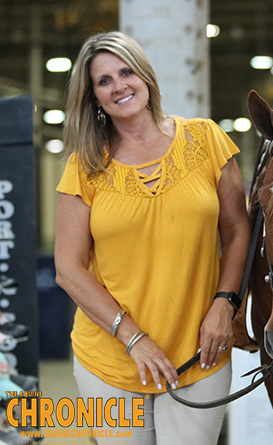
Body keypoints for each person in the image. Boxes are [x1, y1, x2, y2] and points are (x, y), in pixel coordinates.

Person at [54, 31, 250, 443]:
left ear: (145, 75)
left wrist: (225, 304)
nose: (119, 86)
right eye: (104, 81)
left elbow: (236, 231)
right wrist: (133, 338)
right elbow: (68, 269)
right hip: (110, 360)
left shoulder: (206, 139)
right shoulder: (84, 166)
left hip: (200, 353)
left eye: (126, 71)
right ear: (93, 98)